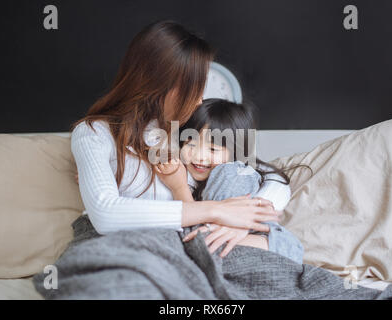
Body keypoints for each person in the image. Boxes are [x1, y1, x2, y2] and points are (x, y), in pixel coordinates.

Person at [71, 21, 282, 246]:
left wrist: (243, 219)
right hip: (123, 244)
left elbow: (272, 176)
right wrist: (215, 211)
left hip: (179, 243)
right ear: (161, 86)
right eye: (195, 88)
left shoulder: (183, 130)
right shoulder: (94, 133)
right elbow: (105, 215)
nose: (200, 99)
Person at [154, 99, 304, 262]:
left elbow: (196, 234)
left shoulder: (233, 174)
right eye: (190, 145)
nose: (199, 156)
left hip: (269, 245)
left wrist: (179, 188)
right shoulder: (176, 169)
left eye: (212, 149)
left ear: (236, 152)